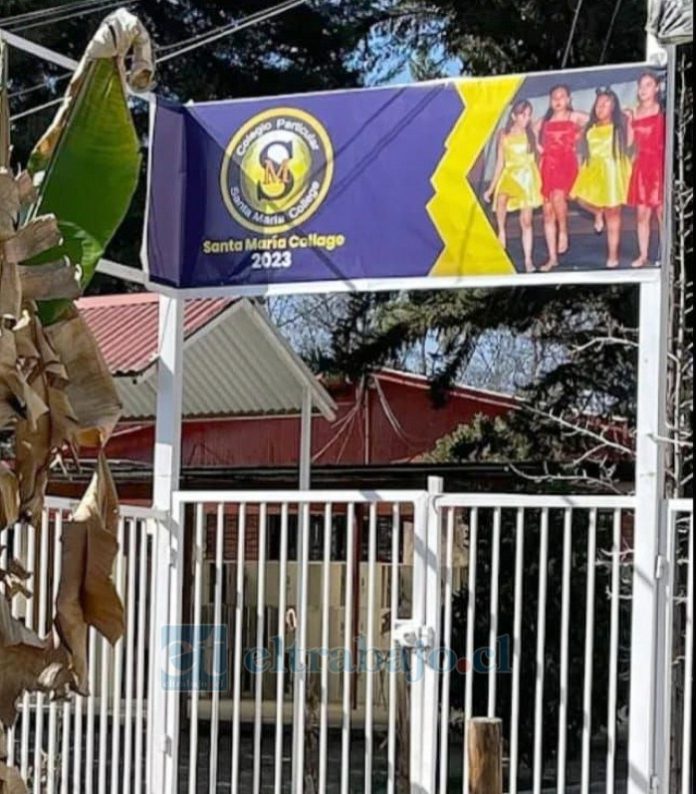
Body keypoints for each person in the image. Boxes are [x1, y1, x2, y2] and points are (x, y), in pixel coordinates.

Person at [570, 88, 633, 269]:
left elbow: (629, 141)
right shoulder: (589, 127)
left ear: (613, 107)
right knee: (578, 198)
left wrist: (627, 116)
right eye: (598, 104)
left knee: (613, 213)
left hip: (613, 170)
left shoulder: (619, 126)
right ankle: (597, 212)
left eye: (606, 104)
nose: (601, 107)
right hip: (594, 169)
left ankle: (612, 255)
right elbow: (576, 122)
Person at [484, 99, 543, 273]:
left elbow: (540, 149)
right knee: (501, 198)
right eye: (523, 115)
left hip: (527, 177)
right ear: (514, 116)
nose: (527, 118)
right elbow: (500, 163)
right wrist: (491, 188)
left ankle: (528, 260)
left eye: (529, 115)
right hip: (510, 174)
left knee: (526, 221)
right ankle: (501, 231)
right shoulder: (503, 134)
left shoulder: (531, 132)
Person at [535, 85, 589, 270]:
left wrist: (580, 137)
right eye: (554, 97)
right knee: (547, 212)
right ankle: (552, 258)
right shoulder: (544, 121)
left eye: (562, 97)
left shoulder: (574, 116)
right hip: (548, 166)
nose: (558, 100)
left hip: (566, 163)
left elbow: (594, 122)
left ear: (569, 99)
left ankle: (564, 232)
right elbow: (530, 135)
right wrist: (539, 149)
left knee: (558, 196)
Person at [626, 72, 666, 268]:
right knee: (642, 214)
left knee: (662, 213)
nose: (643, 90)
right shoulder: (633, 112)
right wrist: (626, 122)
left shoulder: (663, 110)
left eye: (648, 85)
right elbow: (629, 143)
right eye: (641, 85)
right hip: (642, 166)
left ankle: (667, 254)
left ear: (657, 88)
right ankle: (643, 255)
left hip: (660, 164)